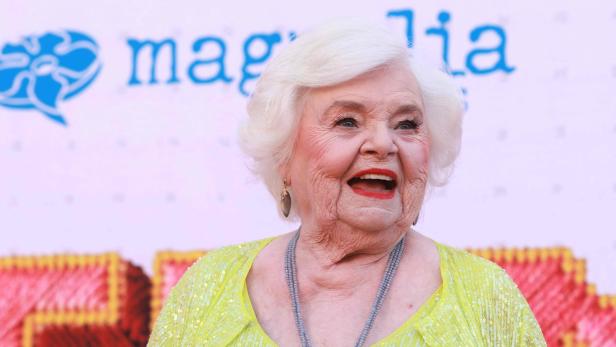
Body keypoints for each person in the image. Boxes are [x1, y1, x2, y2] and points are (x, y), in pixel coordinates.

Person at [148, 20, 546, 346]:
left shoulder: (484, 298)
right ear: (285, 154)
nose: (383, 144)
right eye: (347, 121)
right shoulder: (208, 287)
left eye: (407, 124)